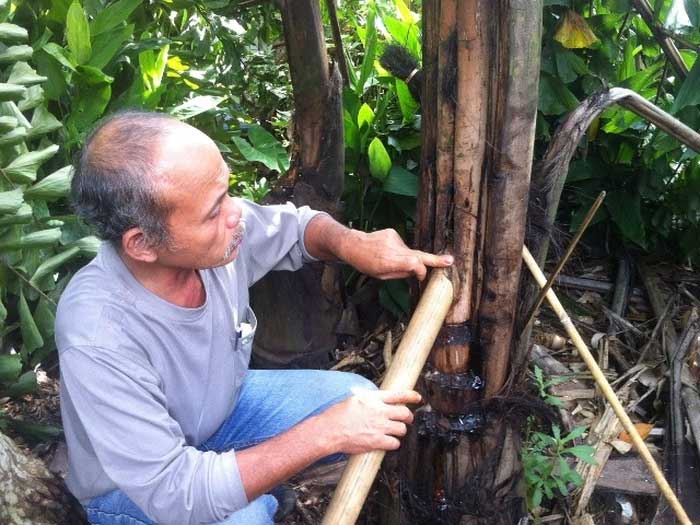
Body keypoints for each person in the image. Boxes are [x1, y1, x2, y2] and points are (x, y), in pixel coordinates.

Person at [56, 111, 453, 525]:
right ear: (142, 243)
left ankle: (251, 488)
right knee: (244, 518)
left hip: (218, 417)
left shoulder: (215, 239)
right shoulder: (97, 331)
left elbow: (298, 230)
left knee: (359, 400)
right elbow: (174, 494)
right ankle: (255, 497)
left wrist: (354, 244)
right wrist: (323, 433)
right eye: (213, 212)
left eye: (227, 192)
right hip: (134, 493)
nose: (234, 214)